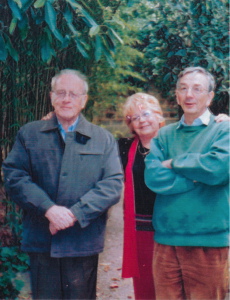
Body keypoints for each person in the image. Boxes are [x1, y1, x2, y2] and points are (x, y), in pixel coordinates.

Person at [3, 69, 123, 300]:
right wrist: (48, 209)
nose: (66, 99)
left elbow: (112, 184)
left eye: (73, 94)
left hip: (82, 241)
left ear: (84, 100)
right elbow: (14, 175)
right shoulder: (29, 134)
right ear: (51, 97)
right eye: (61, 93)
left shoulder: (102, 138)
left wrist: (74, 214)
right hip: (41, 238)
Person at [144, 66, 230, 300]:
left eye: (197, 89)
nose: (189, 94)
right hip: (166, 240)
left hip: (208, 242)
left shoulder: (224, 130)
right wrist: (197, 176)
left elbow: (218, 169)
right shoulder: (164, 135)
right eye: (183, 88)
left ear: (210, 96)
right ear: (177, 94)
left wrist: (174, 163)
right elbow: (152, 177)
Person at [119, 93, 165, 300]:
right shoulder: (124, 147)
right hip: (140, 230)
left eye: (146, 113)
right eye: (134, 118)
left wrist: (222, 123)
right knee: (145, 288)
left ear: (158, 116)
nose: (142, 120)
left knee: (172, 286)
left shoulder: (174, 141)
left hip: (171, 229)